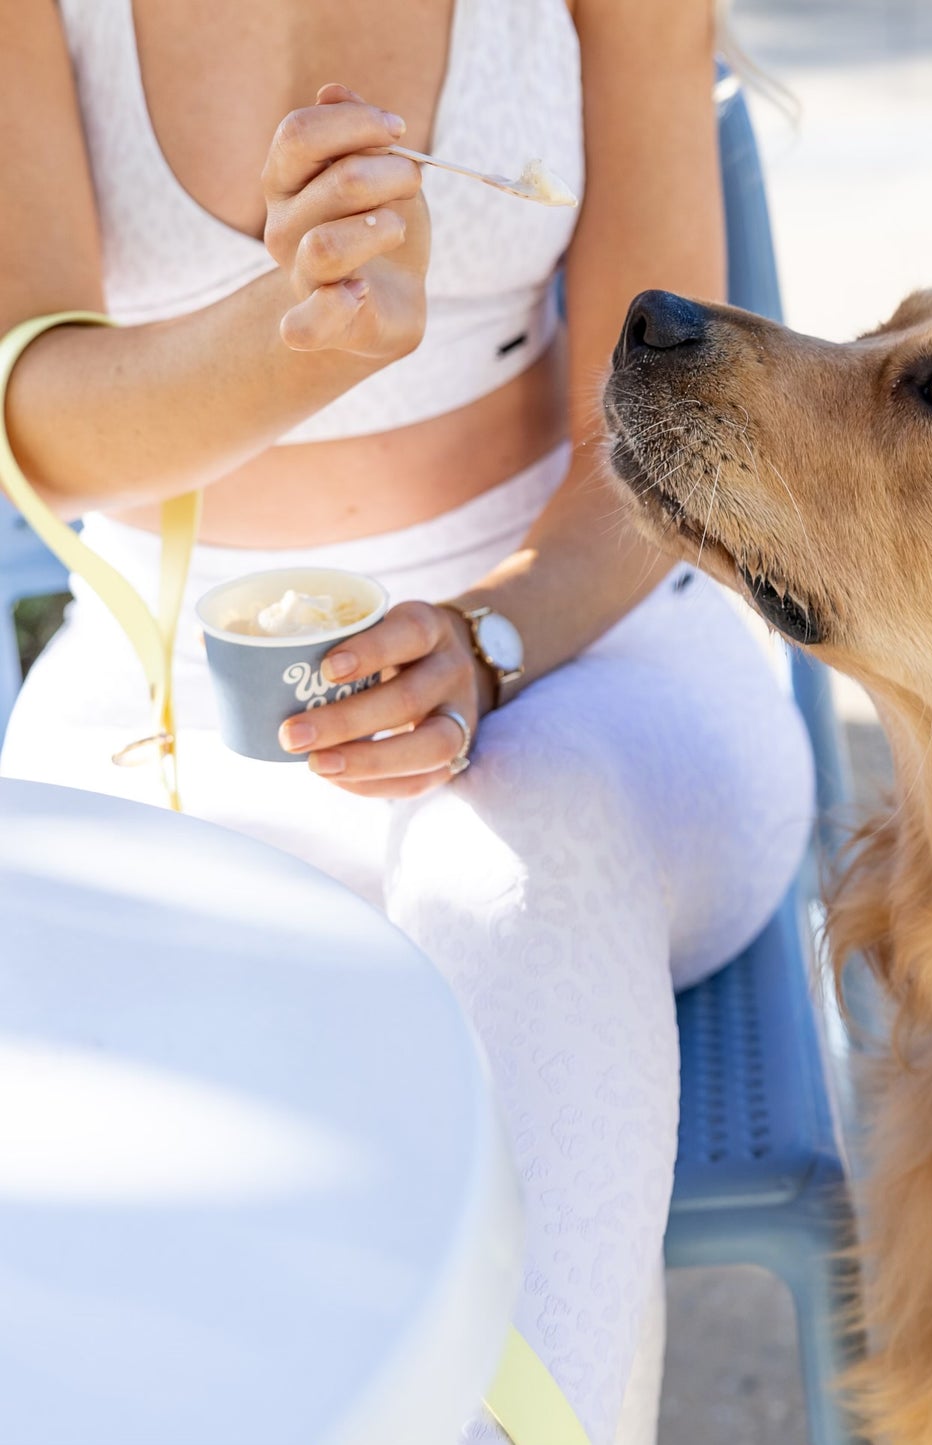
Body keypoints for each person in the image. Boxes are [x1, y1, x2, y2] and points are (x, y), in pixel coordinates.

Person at [0, 1, 814, 1440]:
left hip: (582, 648)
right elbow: (36, 415)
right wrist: (285, 345)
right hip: (177, 689)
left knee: (511, 854)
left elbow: (670, 440)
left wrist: (487, 646)